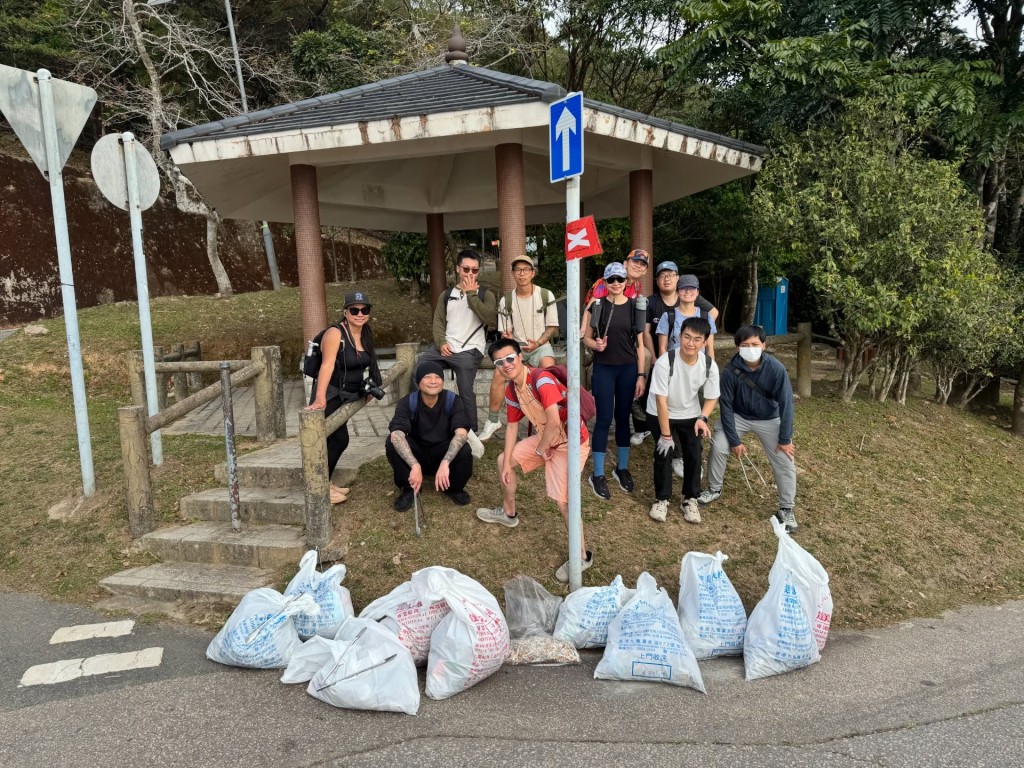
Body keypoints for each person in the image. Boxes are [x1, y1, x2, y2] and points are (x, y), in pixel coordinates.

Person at [475, 338, 593, 583]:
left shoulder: (541, 379)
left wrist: (541, 450)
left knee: (564, 501)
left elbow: (552, 421)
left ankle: (581, 556)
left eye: (510, 358)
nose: (506, 365)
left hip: (570, 443)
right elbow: (511, 428)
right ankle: (509, 514)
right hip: (546, 439)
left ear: (520, 357)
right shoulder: (511, 389)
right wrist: (508, 462)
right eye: (500, 362)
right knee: (501, 460)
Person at [698, 325, 798, 532]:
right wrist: (734, 441)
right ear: (737, 347)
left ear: (764, 345)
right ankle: (713, 489)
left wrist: (785, 438)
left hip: (769, 418)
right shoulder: (731, 370)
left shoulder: (776, 369)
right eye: (745, 345)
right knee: (719, 446)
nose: (750, 348)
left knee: (784, 459)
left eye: (755, 344)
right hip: (738, 416)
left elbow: (787, 404)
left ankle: (787, 508)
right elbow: (726, 406)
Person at [304, 290, 382, 505]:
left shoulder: (365, 333)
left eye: (364, 310)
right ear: (345, 312)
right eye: (354, 310)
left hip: (349, 394)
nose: (360, 314)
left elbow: (368, 362)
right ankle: (319, 489)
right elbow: (327, 366)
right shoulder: (335, 333)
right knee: (335, 439)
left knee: (337, 440)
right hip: (331, 392)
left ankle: (325, 483)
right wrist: (320, 398)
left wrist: (370, 387)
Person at [631, 261, 719, 447]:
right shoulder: (658, 307)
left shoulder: (702, 310)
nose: (687, 292)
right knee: (668, 402)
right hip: (672, 364)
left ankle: (698, 430)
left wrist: (710, 365)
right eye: (662, 275)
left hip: (698, 364)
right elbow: (652, 336)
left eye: (671, 275)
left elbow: (710, 338)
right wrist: (659, 361)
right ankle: (664, 434)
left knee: (697, 400)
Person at [646, 317, 719, 523]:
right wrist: (666, 435)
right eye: (686, 337)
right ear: (679, 336)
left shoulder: (708, 364)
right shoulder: (664, 362)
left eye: (697, 339)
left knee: (694, 453)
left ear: (704, 343)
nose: (690, 343)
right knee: (664, 452)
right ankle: (661, 499)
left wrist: (703, 418)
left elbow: (712, 396)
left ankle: (690, 499)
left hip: (691, 414)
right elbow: (660, 400)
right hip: (660, 412)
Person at [415, 250, 497, 433]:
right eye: (466, 269)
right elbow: (438, 322)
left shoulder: (486, 294)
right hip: (447, 345)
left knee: (465, 387)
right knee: (420, 366)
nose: (470, 273)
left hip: (470, 349)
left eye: (475, 270)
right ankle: (420, 417)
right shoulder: (446, 295)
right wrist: (441, 343)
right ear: (458, 269)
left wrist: (471, 294)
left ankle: (470, 429)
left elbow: (489, 318)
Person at [582, 262, 646, 499]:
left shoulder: (633, 307)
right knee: (604, 419)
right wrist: (595, 344)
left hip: (628, 369)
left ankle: (622, 468)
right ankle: (597, 473)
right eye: (612, 280)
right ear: (605, 282)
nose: (617, 283)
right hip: (604, 368)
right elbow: (586, 338)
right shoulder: (597, 306)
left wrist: (641, 374)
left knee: (623, 417)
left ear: (625, 281)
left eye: (620, 279)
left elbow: (639, 345)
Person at [478, 255, 559, 441]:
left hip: (540, 345)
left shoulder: (546, 295)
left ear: (533, 273)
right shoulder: (506, 301)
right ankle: (493, 420)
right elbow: (504, 332)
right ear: (513, 274)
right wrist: (507, 336)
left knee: (548, 371)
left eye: (526, 270)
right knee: (499, 373)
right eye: (517, 270)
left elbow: (552, 327)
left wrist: (537, 343)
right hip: (516, 349)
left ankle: (551, 420)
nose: (522, 274)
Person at [386, 360, 473, 511]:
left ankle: (454, 488)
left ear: (442, 381)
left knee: (463, 447)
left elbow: (462, 432)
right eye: (427, 377)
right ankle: (409, 489)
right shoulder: (408, 402)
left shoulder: (453, 400)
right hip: (418, 454)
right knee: (392, 442)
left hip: (443, 453)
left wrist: (445, 462)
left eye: (437, 377)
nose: (433, 381)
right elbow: (396, 434)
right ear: (418, 381)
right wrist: (414, 464)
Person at [655, 274, 717, 358]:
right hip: (674, 367)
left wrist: (711, 369)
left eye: (692, 288)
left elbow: (709, 348)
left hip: (699, 367)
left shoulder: (706, 317)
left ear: (697, 292)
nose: (687, 291)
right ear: (677, 292)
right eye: (683, 288)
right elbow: (663, 348)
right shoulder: (668, 317)